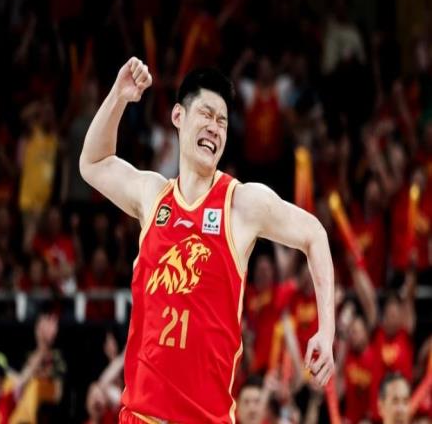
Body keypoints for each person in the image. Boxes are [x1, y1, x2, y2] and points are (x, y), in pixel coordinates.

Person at [79, 57, 335, 423]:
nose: (215, 128)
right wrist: (118, 96)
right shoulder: (152, 196)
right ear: (178, 116)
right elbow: (93, 163)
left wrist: (326, 331)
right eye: (206, 114)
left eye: (223, 122)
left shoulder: (241, 204)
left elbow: (315, 235)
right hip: (140, 417)